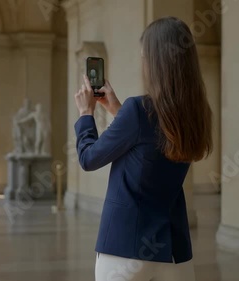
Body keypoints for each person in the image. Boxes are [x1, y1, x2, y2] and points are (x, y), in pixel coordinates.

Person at [74, 17, 212, 281]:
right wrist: (118, 109)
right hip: (175, 251)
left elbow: (88, 158)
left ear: (155, 62)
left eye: (144, 57)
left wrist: (85, 114)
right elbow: (152, 141)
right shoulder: (198, 113)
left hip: (125, 248)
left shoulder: (138, 109)